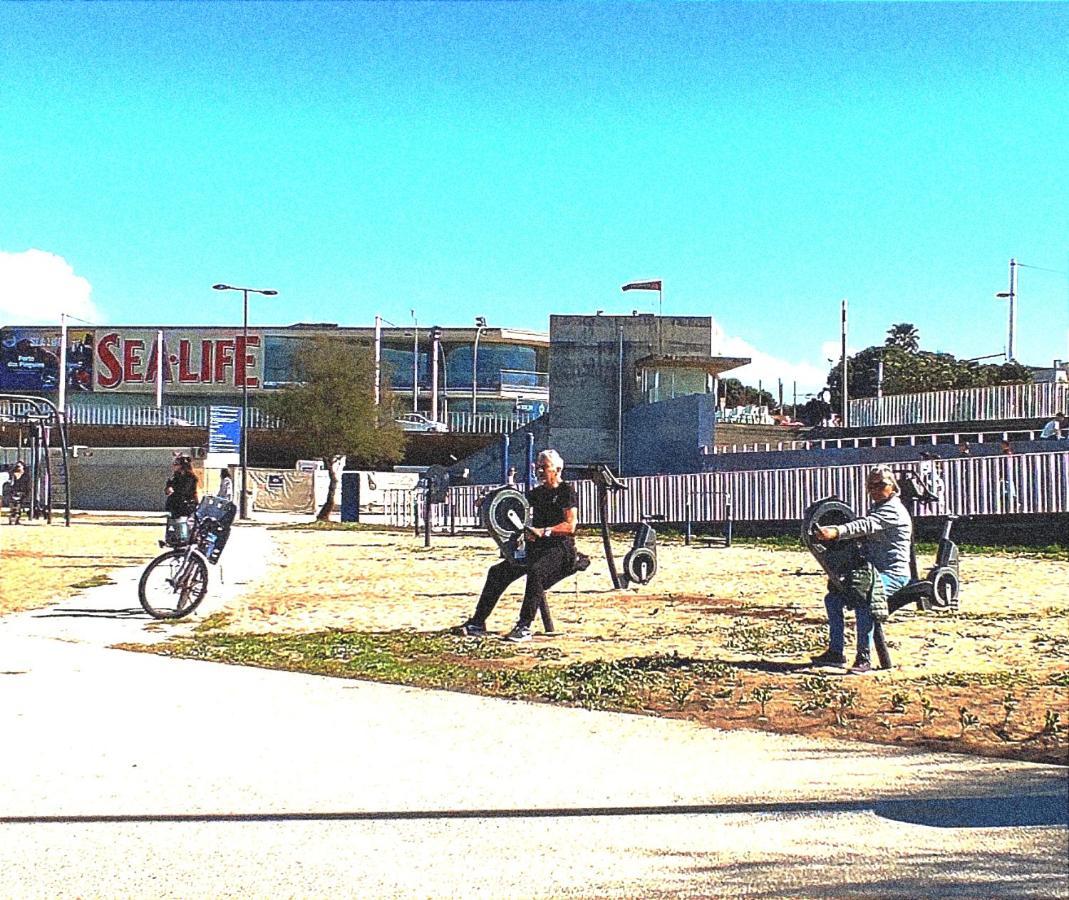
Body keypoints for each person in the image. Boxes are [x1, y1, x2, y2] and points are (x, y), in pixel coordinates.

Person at [453, 449, 578, 643]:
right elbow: (511, 504)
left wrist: (544, 531)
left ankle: (524, 626)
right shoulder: (537, 493)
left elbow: (570, 526)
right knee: (497, 573)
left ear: (558, 469)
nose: (540, 471)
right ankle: (478, 622)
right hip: (538, 548)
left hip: (561, 549)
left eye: (544, 467)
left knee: (536, 573)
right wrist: (487, 501)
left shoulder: (566, 492)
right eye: (538, 468)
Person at [810, 465, 913, 674]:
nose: (875, 488)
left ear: (893, 486)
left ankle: (863, 657)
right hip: (871, 572)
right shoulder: (878, 508)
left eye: (880, 484)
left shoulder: (892, 510)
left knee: (864, 599)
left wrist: (836, 531)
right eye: (871, 485)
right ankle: (836, 652)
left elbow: (864, 526)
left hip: (894, 574)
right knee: (833, 599)